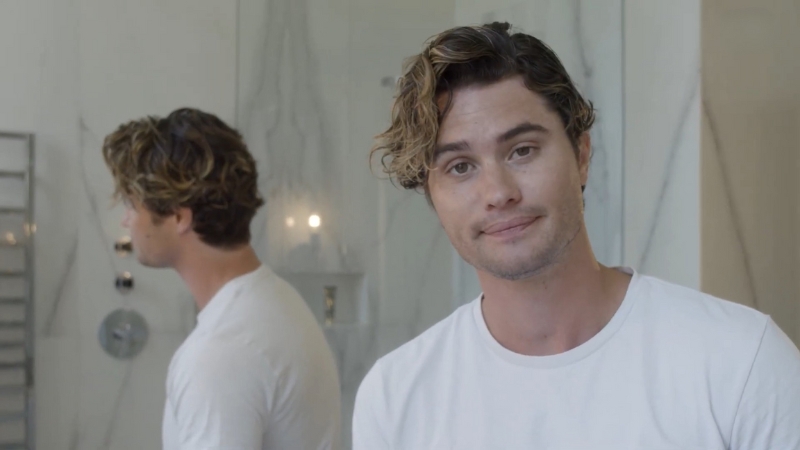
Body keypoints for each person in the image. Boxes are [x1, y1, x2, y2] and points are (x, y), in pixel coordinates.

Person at [353, 22, 800, 449]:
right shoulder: (396, 397)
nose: (498, 193)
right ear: (431, 193)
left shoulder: (740, 360)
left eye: (522, 150)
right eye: (460, 167)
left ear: (581, 155)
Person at [102, 108, 341, 450]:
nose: (126, 221)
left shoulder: (220, 354)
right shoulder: (276, 300)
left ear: (178, 217)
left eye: (132, 205)